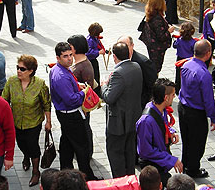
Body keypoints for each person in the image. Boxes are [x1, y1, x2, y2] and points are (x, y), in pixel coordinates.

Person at [49, 42, 97, 180]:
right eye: (65, 56)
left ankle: (65, 173)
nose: (69, 58)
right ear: (58, 58)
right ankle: (87, 177)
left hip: (64, 114)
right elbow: (71, 99)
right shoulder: (61, 76)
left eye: (70, 55)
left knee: (66, 144)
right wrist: (84, 92)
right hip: (71, 114)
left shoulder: (60, 69)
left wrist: (77, 85)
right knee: (82, 147)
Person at [2, 54, 51, 186]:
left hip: (33, 122)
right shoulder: (12, 82)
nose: (18, 71)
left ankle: (36, 172)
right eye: (17, 67)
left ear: (31, 71)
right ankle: (26, 156)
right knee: (21, 144)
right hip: (16, 122)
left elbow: (46, 103)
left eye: (22, 69)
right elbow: (4, 101)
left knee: (33, 145)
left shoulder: (39, 84)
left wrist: (48, 121)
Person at [101, 42, 143, 177]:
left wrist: (104, 85)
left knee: (116, 155)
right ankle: (130, 180)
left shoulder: (118, 73)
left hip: (118, 124)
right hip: (132, 119)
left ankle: (120, 185)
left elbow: (109, 97)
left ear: (114, 57)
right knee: (129, 153)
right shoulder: (136, 66)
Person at [178, 40, 215, 179]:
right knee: (197, 142)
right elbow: (208, 99)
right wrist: (213, 117)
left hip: (183, 107)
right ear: (208, 54)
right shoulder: (204, 73)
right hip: (196, 112)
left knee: (186, 139)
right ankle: (193, 169)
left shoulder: (186, 65)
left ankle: (185, 164)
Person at [136, 78, 184, 187]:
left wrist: (170, 132)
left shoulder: (160, 109)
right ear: (166, 98)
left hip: (160, 160)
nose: (174, 97)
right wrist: (171, 160)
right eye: (173, 94)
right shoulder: (145, 121)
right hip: (152, 165)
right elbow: (145, 151)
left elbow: (163, 125)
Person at [68, 34, 97, 157]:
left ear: (75, 48)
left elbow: (88, 89)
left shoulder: (84, 66)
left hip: (82, 107)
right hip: (77, 105)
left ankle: (86, 152)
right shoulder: (79, 62)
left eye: (70, 46)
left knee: (84, 129)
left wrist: (84, 109)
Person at [117, 35, 158, 110]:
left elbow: (152, 84)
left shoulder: (143, 62)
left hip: (139, 104)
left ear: (132, 46)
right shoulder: (119, 58)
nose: (122, 49)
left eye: (126, 46)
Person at [139, 0, 175, 73]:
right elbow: (161, 36)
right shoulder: (157, 18)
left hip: (153, 45)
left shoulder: (152, 15)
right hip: (157, 47)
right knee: (156, 68)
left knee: (155, 66)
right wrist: (169, 30)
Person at [173, 21, 197, 94]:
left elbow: (174, 45)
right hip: (188, 60)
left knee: (178, 75)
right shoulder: (193, 42)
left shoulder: (179, 40)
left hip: (179, 59)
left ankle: (177, 89)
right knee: (188, 75)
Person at [86, 23, 106, 97]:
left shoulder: (95, 38)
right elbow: (88, 52)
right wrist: (98, 52)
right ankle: (95, 93)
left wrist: (105, 51)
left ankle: (97, 92)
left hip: (93, 60)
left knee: (97, 76)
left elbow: (98, 46)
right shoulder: (89, 40)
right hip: (90, 61)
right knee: (94, 77)